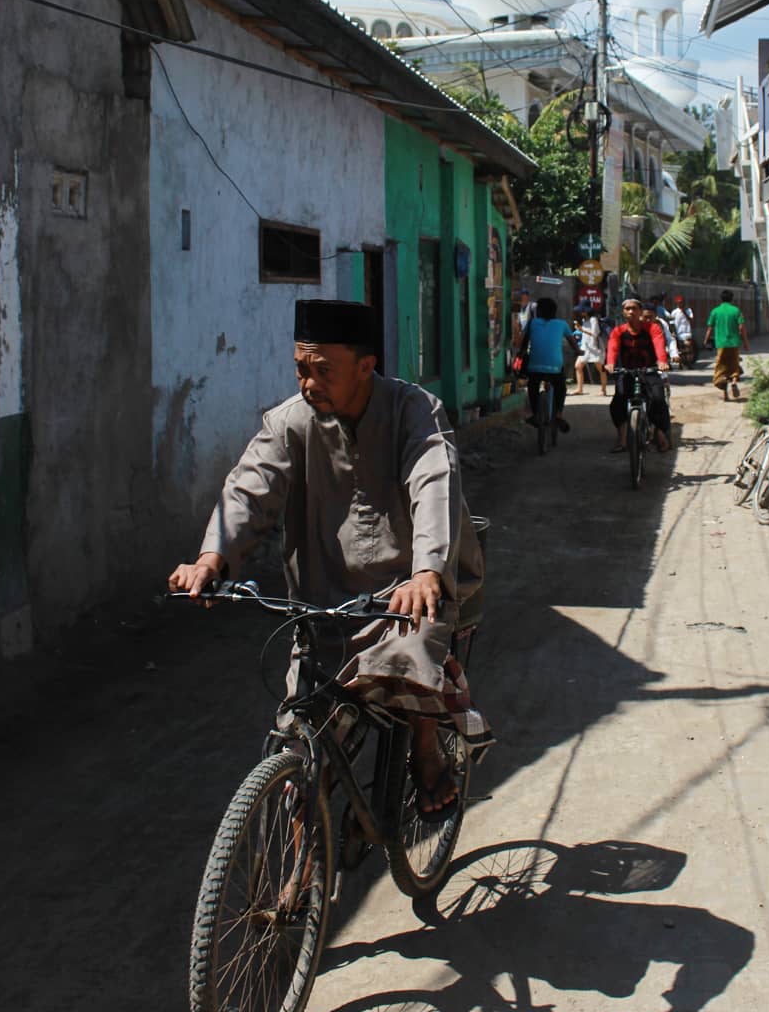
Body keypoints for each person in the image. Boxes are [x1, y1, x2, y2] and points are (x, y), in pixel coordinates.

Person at [168, 299, 488, 821]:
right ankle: (305, 863)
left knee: (416, 651)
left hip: (403, 594)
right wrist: (212, 558)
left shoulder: (414, 410)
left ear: (366, 366)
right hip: (323, 599)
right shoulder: (289, 423)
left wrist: (427, 570)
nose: (308, 383)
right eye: (300, 368)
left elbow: (435, 481)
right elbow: (249, 489)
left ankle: (425, 749)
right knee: (302, 740)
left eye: (322, 370)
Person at [605, 298, 671, 452]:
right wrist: (610, 363)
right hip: (627, 371)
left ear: (640, 311)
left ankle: (660, 433)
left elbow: (659, 345)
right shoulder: (618, 331)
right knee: (618, 401)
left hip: (649, 371)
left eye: (634, 308)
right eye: (627, 309)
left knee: (658, 399)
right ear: (623, 312)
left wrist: (662, 361)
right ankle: (622, 438)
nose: (631, 311)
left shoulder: (653, 328)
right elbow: (613, 348)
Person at [518, 296, 578, 431]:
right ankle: (559, 414)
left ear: (538, 311)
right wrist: (579, 351)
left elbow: (523, 343)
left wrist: (521, 353)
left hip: (535, 367)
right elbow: (573, 343)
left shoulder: (532, 323)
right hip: (555, 367)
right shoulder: (562, 324)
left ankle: (535, 414)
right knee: (561, 386)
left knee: (533, 385)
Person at [705, 289, 750, 401]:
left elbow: (710, 328)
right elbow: (741, 327)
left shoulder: (715, 311)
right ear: (732, 299)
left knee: (722, 369)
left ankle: (725, 394)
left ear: (721, 299)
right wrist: (746, 343)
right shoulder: (736, 311)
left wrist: (706, 340)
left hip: (721, 344)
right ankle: (734, 382)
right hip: (734, 343)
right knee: (734, 366)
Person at [573, 308, 608, 396]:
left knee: (601, 368)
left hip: (595, 347)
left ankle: (603, 390)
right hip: (585, 347)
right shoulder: (584, 320)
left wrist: (582, 329)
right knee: (578, 366)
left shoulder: (593, 319)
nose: (580, 312)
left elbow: (594, 333)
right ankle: (579, 389)